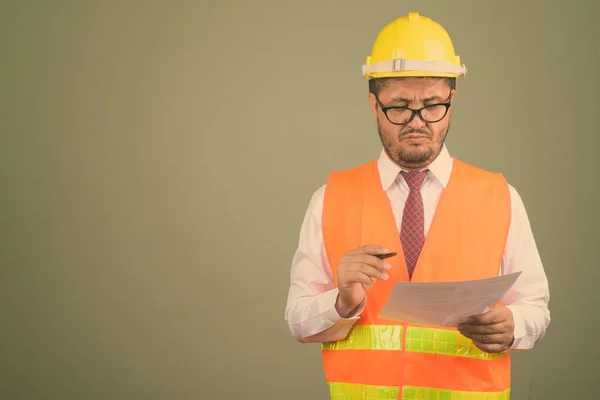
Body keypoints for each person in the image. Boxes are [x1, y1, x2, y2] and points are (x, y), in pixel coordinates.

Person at [284, 11, 550, 400]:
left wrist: (515, 325)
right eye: (399, 106)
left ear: (451, 101)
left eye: (432, 105)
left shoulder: (499, 197)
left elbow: (535, 307)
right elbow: (298, 321)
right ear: (374, 106)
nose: (417, 121)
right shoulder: (329, 199)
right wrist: (341, 302)